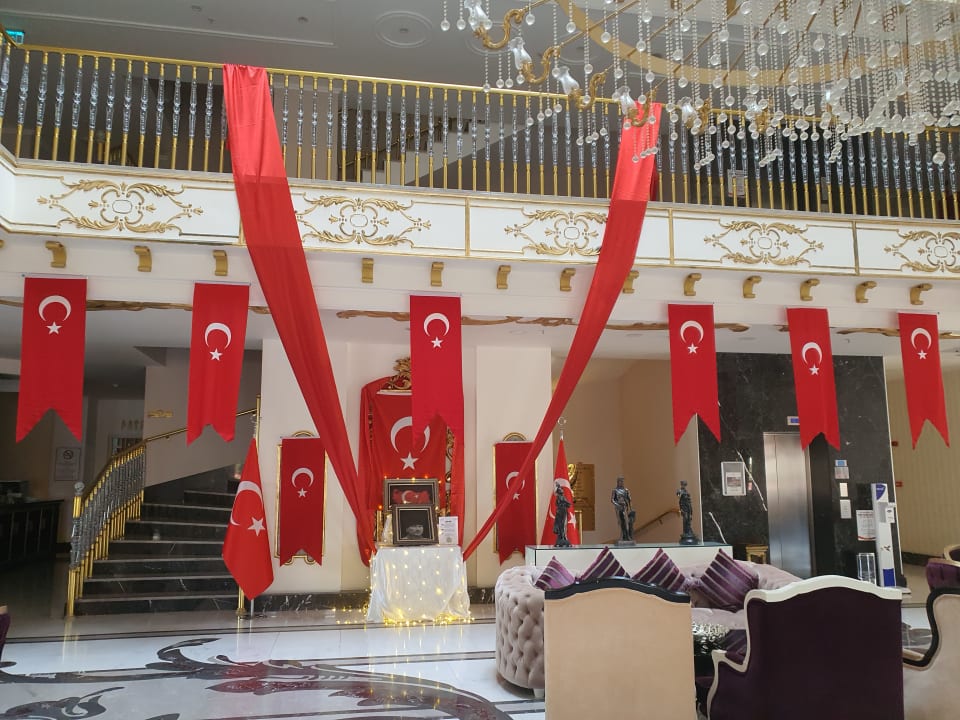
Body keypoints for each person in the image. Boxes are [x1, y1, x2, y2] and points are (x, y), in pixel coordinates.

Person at [611, 476, 635, 544]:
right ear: (618, 482)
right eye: (620, 481)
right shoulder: (615, 490)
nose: (621, 483)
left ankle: (627, 536)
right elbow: (612, 500)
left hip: (624, 507)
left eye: (622, 481)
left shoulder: (626, 490)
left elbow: (629, 500)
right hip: (618, 508)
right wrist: (617, 505)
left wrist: (631, 508)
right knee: (620, 522)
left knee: (626, 521)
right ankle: (622, 535)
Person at [677, 480, 699, 545]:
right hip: (684, 508)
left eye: (685, 484)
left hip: (688, 507)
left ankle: (689, 531)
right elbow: (678, 496)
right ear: (681, 484)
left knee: (689, 520)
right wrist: (680, 493)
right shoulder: (680, 491)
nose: (684, 485)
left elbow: (689, 501)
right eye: (683, 484)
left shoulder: (686, 492)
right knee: (685, 519)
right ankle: (685, 532)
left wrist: (691, 511)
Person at [552, 482, 571, 548]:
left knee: (563, 525)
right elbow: (566, 504)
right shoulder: (560, 497)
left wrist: (566, 504)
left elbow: (568, 504)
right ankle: (562, 537)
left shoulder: (561, 497)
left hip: (562, 512)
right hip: (561, 512)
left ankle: (563, 537)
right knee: (561, 525)